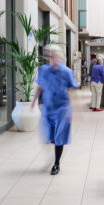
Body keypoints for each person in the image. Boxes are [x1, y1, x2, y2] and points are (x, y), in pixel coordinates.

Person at [31, 44, 78, 175]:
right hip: (48, 108)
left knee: (59, 138)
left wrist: (73, 109)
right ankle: (54, 157)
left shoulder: (66, 71)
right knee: (48, 137)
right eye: (49, 55)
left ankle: (56, 164)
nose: (51, 58)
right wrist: (34, 101)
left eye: (53, 55)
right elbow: (40, 86)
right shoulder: (43, 70)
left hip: (62, 108)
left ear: (59, 56)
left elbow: (73, 89)